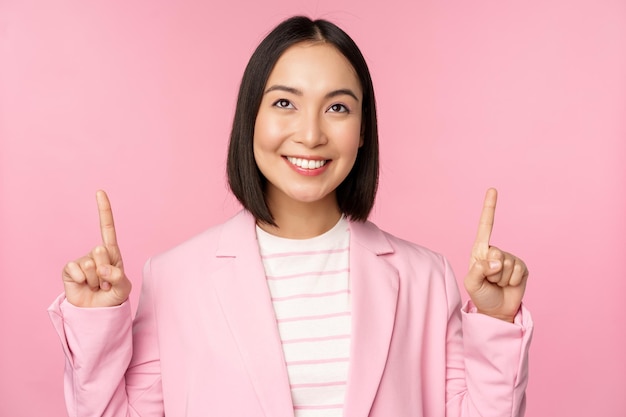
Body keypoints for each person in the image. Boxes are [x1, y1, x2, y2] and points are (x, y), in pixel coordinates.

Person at [48, 15, 532, 417]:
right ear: (250, 117)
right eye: (284, 103)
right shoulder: (174, 277)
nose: (311, 133)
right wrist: (98, 325)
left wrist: (495, 320)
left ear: (362, 131)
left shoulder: (426, 278)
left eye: (338, 108)